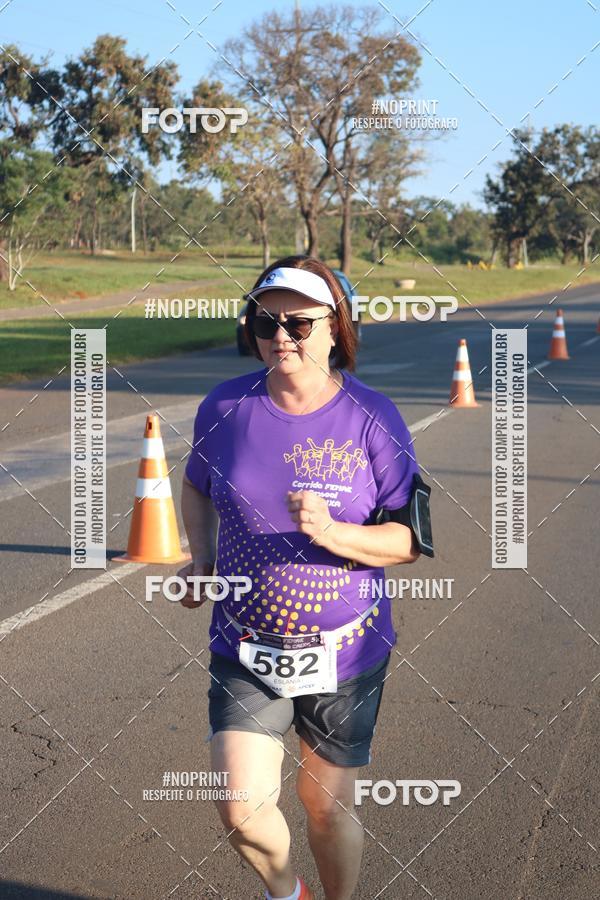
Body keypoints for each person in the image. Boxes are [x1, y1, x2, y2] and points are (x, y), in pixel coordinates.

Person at [178, 256, 426, 900]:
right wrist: (201, 555)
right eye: (266, 321)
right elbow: (196, 485)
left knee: (325, 808)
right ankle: (287, 893)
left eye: (298, 322)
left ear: (335, 327)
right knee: (241, 810)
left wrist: (334, 534)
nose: (281, 335)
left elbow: (408, 541)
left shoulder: (373, 418)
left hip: (347, 649)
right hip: (245, 644)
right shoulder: (225, 406)